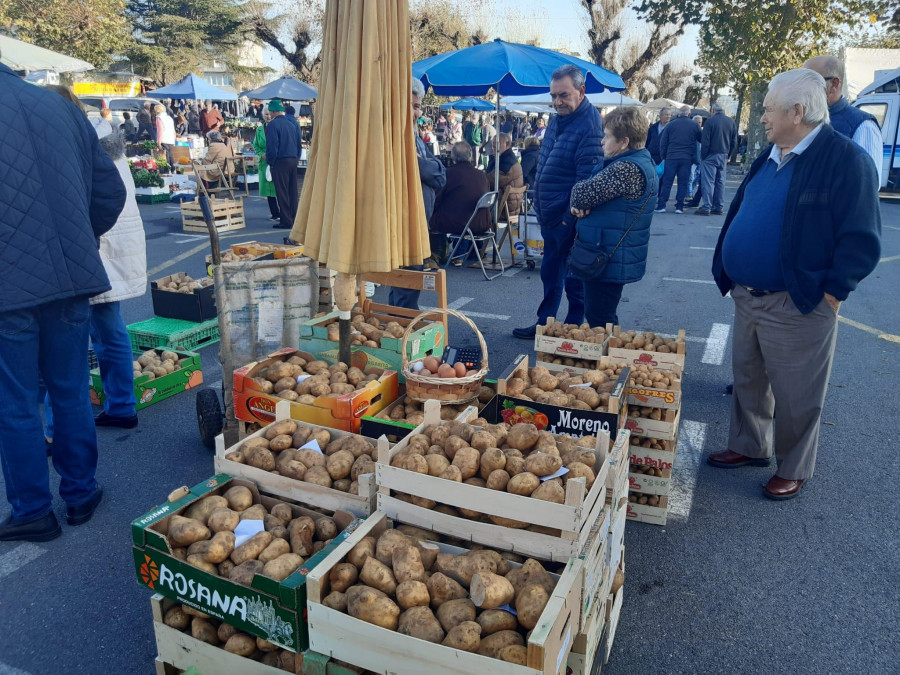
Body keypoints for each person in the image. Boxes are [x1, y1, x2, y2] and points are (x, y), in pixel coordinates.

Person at [707, 68, 881, 501]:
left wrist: (834, 292)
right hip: (749, 295)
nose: (762, 117)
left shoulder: (844, 160)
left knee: (798, 393)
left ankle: (794, 466)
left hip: (799, 301)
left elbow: (861, 238)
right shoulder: (771, 152)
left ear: (797, 112)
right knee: (748, 379)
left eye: (768, 109)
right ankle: (750, 447)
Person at [0, 69, 126, 542]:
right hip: (70, 278)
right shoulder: (59, 106)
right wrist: (80, 239)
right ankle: (80, 493)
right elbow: (109, 191)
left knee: (15, 402)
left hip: (7, 290)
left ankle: (32, 509)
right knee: (70, 389)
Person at [45, 128, 147, 438]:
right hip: (112, 256)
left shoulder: (81, 157)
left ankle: (55, 428)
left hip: (90, 256)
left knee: (65, 342)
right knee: (109, 329)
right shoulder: (115, 157)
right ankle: (122, 407)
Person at [512, 64, 603, 339]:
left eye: (563, 95)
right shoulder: (556, 118)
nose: (557, 102)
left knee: (574, 281)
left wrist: (567, 218)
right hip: (550, 216)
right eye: (553, 96)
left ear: (581, 91)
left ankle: (572, 330)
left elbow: (585, 179)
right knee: (550, 276)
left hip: (569, 219)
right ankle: (545, 325)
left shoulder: (590, 125)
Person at [568, 107, 658, 326]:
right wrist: (581, 204)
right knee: (601, 314)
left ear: (624, 142)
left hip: (606, 255)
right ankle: (607, 357)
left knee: (600, 317)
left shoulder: (626, 168)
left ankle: (608, 359)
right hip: (609, 252)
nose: (602, 142)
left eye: (607, 137)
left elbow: (580, 194)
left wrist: (579, 201)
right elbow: (586, 197)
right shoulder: (638, 161)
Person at [387, 77, 446, 309]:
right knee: (406, 279)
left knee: (409, 281)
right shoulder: (397, 137)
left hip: (419, 220)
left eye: (417, 106)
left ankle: (401, 321)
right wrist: (430, 168)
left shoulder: (415, 137)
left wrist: (431, 167)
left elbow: (439, 173)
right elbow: (425, 169)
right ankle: (403, 325)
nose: (414, 112)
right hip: (405, 221)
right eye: (410, 105)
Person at [803, 54, 882, 185]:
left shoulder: (862, 125)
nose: (803, 89)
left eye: (810, 82)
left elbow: (867, 185)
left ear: (834, 84)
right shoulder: (802, 120)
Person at [428, 142, 491, 266]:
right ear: (470, 156)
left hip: (459, 224)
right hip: (481, 223)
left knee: (430, 215)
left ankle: (435, 254)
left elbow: (435, 199)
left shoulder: (448, 174)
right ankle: (473, 250)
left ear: (453, 157)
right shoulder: (481, 175)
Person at [654, 106, 700, 214]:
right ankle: (679, 206)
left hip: (671, 157)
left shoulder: (670, 125)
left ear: (679, 114)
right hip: (686, 158)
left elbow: (663, 142)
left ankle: (661, 205)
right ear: (689, 114)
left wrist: (664, 156)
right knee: (683, 182)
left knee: (667, 182)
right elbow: (700, 140)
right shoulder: (694, 125)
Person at [265, 99, 302, 230]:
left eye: (270, 112)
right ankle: (294, 218)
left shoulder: (272, 125)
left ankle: (286, 220)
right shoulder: (291, 124)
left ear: (273, 111)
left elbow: (272, 146)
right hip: (293, 159)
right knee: (292, 191)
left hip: (280, 160)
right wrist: (296, 158)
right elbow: (298, 143)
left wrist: (270, 161)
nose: (269, 114)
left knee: (282, 192)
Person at [696, 103, 737, 216]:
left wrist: (703, 155)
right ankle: (718, 206)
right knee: (720, 182)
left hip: (710, 155)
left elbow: (706, 141)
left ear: (713, 110)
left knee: (708, 181)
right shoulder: (731, 122)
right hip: (723, 155)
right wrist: (728, 155)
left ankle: (707, 206)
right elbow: (734, 141)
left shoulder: (710, 121)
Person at [487, 132, 524, 221]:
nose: (493, 147)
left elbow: (491, 182)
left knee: (470, 208)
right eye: (493, 144)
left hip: (505, 209)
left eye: (496, 144)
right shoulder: (506, 159)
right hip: (508, 206)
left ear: (507, 144)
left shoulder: (507, 163)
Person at [254, 110, 281, 222]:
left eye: (270, 114)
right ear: (263, 116)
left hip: (276, 161)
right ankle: (274, 213)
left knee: (278, 188)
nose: (268, 116)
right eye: (266, 114)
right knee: (268, 190)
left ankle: (283, 212)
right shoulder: (259, 129)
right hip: (264, 162)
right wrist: (261, 154)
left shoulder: (277, 127)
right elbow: (255, 145)